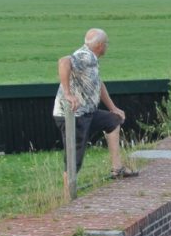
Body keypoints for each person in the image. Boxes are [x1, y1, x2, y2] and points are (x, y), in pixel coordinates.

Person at [53, 28, 137, 187]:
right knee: (75, 156)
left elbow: (98, 83)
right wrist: (68, 94)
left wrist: (113, 108)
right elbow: (63, 62)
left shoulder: (91, 59)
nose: (107, 46)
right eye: (106, 43)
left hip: (87, 112)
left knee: (113, 121)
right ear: (99, 45)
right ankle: (67, 196)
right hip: (73, 115)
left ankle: (117, 168)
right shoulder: (85, 57)